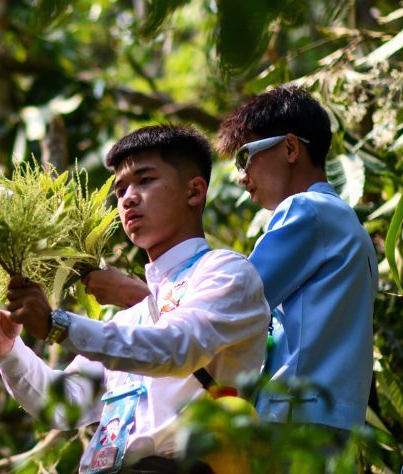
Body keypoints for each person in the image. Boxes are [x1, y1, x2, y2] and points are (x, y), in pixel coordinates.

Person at [0, 124, 270, 474]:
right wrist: (12, 352)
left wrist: (59, 326)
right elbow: (66, 405)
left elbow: (176, 348)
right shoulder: (127, 320)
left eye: (146, 180)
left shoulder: (224, 273)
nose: (128, 198)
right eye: (119, 189)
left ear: (194, 191)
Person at [85, 86, 378, 439]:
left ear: (289, 148)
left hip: (293, 416)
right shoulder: (344, 222)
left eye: (245, 158)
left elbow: (235, 298)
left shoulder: (307, 210)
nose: (241, 177)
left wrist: (137, 295)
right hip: (333, 417)